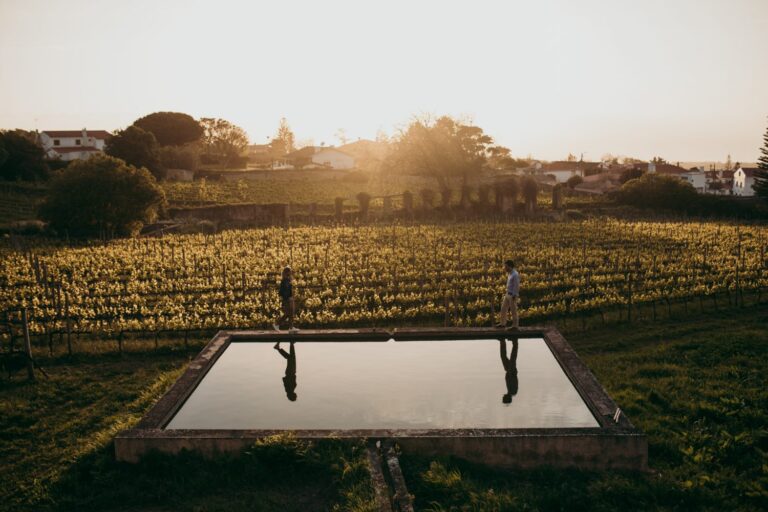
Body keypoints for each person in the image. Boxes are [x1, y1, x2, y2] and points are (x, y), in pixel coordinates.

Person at [496, 259, 520, 328]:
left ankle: (515, 326)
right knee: (503, 308)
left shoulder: (515, 274)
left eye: (506, 267)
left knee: (513, 311)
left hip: (512, 295)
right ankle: (503, 323)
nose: (505, 268)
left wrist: (514, 295)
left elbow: (516, 286)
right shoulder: (510, 273)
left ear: (510, 266)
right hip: (507, 294)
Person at [274, 266, 296, 331]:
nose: (291, 273)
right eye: (290, 271)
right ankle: (277, 324)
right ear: (287, 272)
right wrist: (289, 297)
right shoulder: (285, 280)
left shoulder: (287, 280)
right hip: (287, 299)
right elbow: (284, 291)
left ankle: (291, 327)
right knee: (288, 313)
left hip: (288, 298)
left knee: (290, 313)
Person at [499, 338, 519, 404]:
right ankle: (515, 341)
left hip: (509, 371)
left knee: (503, 356)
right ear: (507, 398)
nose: (503, 396)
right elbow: (514, 381)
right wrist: (510, 373)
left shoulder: (510, 392)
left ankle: (502, 341)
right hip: (511, 371)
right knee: (513, 356)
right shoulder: (513, 392)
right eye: (504, 397)